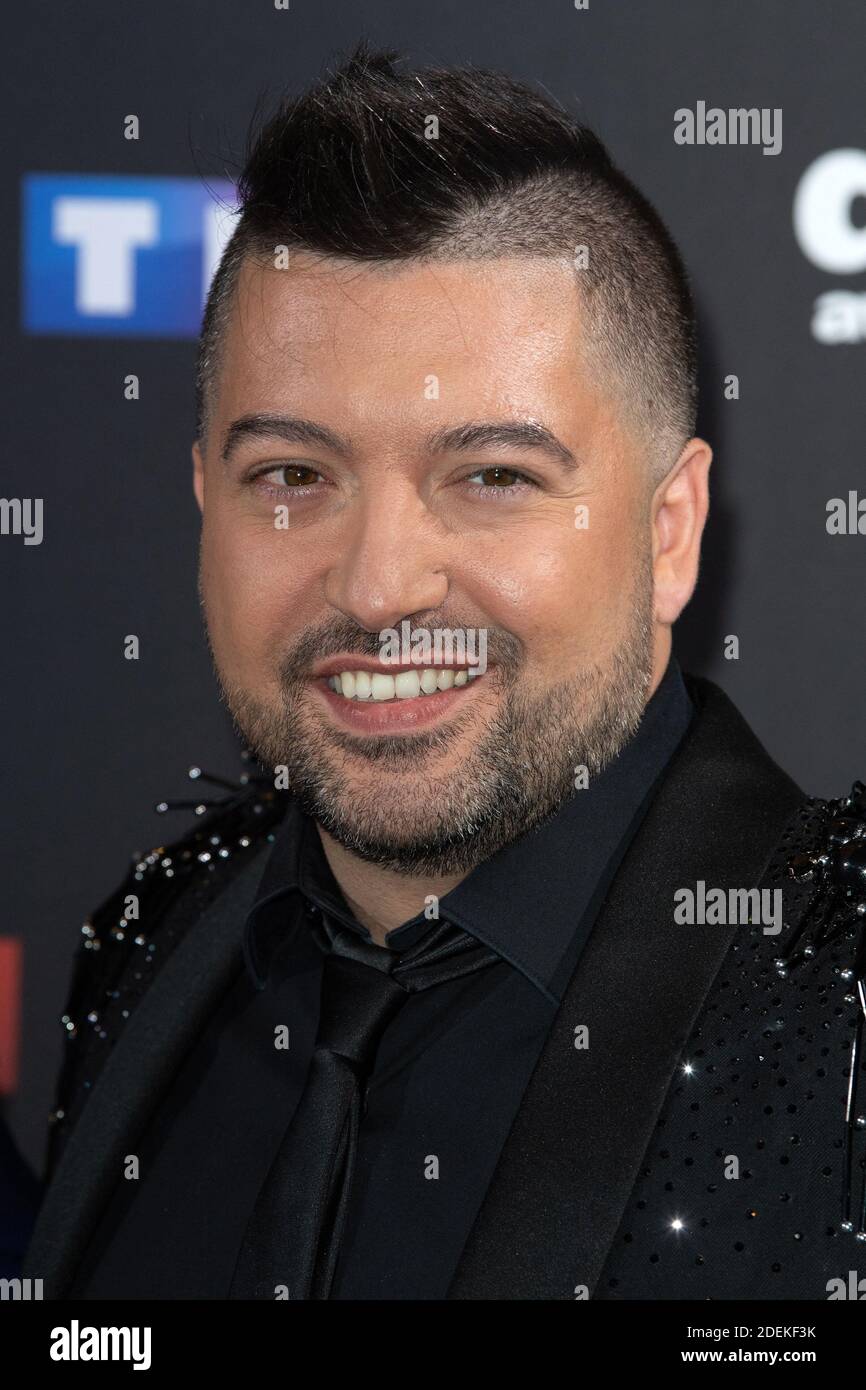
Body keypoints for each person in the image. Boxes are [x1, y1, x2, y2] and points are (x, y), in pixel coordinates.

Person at [24, 43, 866, 1301]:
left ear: (668, 529)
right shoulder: (152, 937)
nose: (376, 586)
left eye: (489, 477)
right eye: (293, 477)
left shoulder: (839, 1016)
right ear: (206, 502)